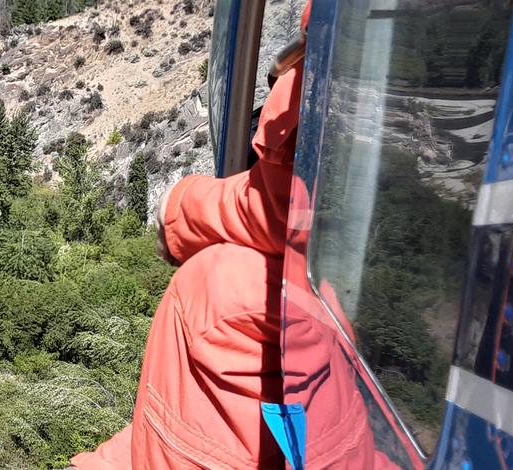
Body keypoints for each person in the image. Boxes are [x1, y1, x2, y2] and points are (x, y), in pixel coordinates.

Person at [70, 5, 308, 468]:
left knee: (214, 288)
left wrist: (182, 211)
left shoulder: (235, 300)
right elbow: (179, 424)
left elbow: (287, 206)